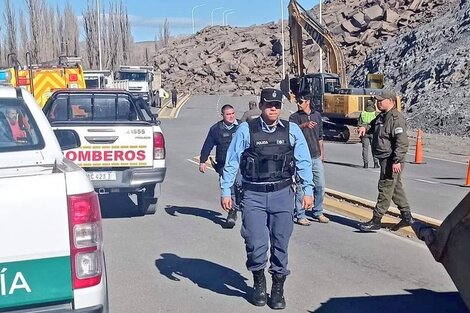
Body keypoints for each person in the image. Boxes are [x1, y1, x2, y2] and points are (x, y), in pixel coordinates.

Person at [220, 88, 314, 309]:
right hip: (253, 195)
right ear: (261, 106)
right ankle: (259, 281)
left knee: (281, 243)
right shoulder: (246, 129)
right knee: (255, 243)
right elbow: (232, 161)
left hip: (282, 194)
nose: (273, 108)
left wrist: (307, 190)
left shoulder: (291, 131)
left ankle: (278, 288)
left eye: (277, 105)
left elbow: (303, 162)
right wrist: (226, 191)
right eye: (269, 104)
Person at [358, 89, 413, 232]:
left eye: (381, 100)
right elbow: (372, 126)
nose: (378, 103)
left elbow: (401, 142)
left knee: (385, 187)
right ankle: (407, 216)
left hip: (391, 159)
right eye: (377, 100)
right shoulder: (382, 116)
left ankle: (376, 220)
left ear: (391, 102)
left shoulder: (396, 119)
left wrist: (397, 161)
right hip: (384, 157)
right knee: (395, 188)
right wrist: (364, 128)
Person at [289, 90, 329, 225]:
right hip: (300, 158)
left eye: (301, 102)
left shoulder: (317, 116)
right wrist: (304, 125)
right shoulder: (294, 117)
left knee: (320, 186)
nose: (298, 104)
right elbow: (291, 132)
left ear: (308, 102)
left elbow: (320, 136)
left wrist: (322, 153)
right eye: (297, 102)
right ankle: (300, 214)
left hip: (316, 155)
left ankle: (318, 211)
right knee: (301, 187)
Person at [199, 104, 240, 228]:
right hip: (224, 165)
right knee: (229, 187)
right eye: (228, 114)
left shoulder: (243, 126)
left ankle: (242, 208)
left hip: (241, 164)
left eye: (233, 113)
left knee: (241, 187)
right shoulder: (216, 129)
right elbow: (208, 145)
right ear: (222, 115)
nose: (231, 116)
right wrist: (202, 161)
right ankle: (232, 212)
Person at [359, 100, 379, 168]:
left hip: (365, 133)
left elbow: (359, 123)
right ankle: (376, 163)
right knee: (374, 148)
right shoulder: (375, 113)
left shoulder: (363, 113)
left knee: (365, 148)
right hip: (373, 133)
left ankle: (366, 164)